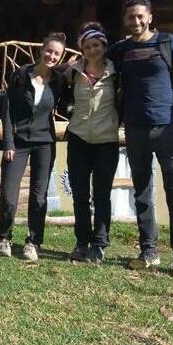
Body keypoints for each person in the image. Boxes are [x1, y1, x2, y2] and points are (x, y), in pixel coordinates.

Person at [106, 0, 173, 281]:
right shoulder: (120, 50)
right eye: (130, 16)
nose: (136, 21)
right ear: (125, 20)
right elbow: (92, 60)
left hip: (168, 130)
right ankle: (149, 253)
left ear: (150, 17)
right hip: (135, 129)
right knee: (142, 193)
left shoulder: (170, 43)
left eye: (140, 15)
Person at [0, 32, 68, 261]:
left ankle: (33, 242)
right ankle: (4, 238)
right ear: (41, 50)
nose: (52, 56)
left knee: (39, 197)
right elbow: (7, 111)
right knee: (8, 194)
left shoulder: (58, 82)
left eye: (57, 53)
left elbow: (69, 105)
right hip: (18, 143)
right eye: (49, 51)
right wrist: (7, 141)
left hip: (45, 143)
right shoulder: (21, 75)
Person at [64, 23, 120, 264]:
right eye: (87, 46)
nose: (92, 50)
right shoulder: (72, 72)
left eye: (96, 45)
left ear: (104, 46)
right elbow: (62, 96)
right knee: (79, 195)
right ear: (82, 50)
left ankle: (99, 244)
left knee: (102, 195)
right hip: (78, 139)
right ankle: (81, 242)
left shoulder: (116, 73)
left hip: (106, 140)